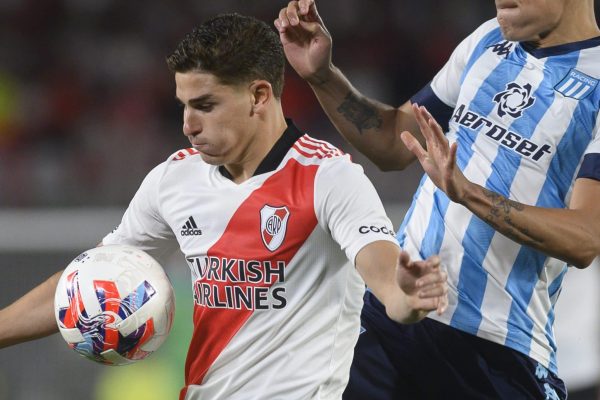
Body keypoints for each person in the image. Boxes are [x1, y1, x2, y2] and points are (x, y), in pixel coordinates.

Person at [0, 13, 448, 400]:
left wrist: (406, 295)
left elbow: (386, 276)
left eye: (205, 105)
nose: (188, 125)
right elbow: (87, 279)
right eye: (183, 106)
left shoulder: (329, 177)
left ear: (258, 96)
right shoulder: (174, 179)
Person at [275, 0, 600, 399]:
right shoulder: (487, 40)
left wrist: (469, 194)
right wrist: (323, 76)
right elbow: (395, 141)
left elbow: (586, 238)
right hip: (396, 315)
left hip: (498, 348)